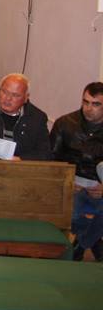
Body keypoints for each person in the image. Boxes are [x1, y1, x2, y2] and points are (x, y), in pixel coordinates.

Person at [51, 82, 103, 260]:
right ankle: (91, 241)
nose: (89, 108)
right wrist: (67, 181)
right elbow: (52, 159)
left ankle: (83, 242)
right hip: (72, 183)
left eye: (96, 104)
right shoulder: (66, 123)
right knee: (70, 213)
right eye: (85, 102)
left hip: (99, 185)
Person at [0, 74, 51, 160]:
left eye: (15, 95)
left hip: (19, 169)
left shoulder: (37, 118)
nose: (8, 98)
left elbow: (45, 153)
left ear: (26, 98)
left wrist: (21, 159)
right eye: (4, 92)